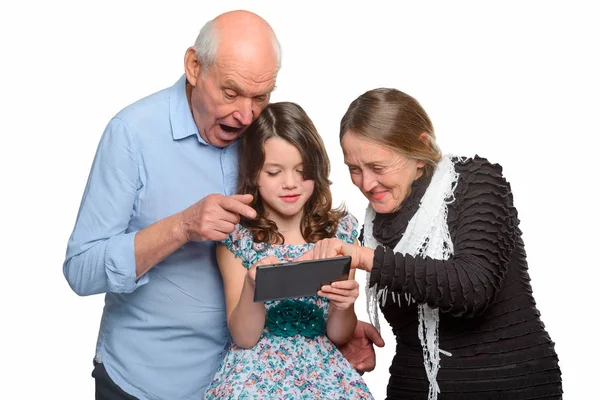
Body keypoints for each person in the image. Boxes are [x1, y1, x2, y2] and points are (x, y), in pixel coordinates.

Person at [62, 10, 281, 399]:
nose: (247, 115)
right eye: (231, 93)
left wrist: (333, 326)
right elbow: (81, 270)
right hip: (141, 384)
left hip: (242, 384)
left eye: (260, 97)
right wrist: (181, 227)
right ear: (194, 66)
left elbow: (287, 248)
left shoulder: (268, 137)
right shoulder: (131, 134)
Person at [308, 88, 563, 399]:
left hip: (510, 385)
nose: (366, 183)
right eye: (354, 169)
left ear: (420, 147)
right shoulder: (373, 226)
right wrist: (350, 330)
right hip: (415, 387)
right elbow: (411, 320)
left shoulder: (475, 182)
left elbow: (473, 287)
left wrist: (366, 257)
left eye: (378, 167)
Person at [203, 102, 374, 399]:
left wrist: (344, 305)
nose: (291, 183)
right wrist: (252, 286)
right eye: (274, 172)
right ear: (254, 173)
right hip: (255, 376)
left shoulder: (340, 232)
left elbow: (338, 334)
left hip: (323, 372)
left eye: (302, 171)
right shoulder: (237, 238)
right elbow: (244, 337)